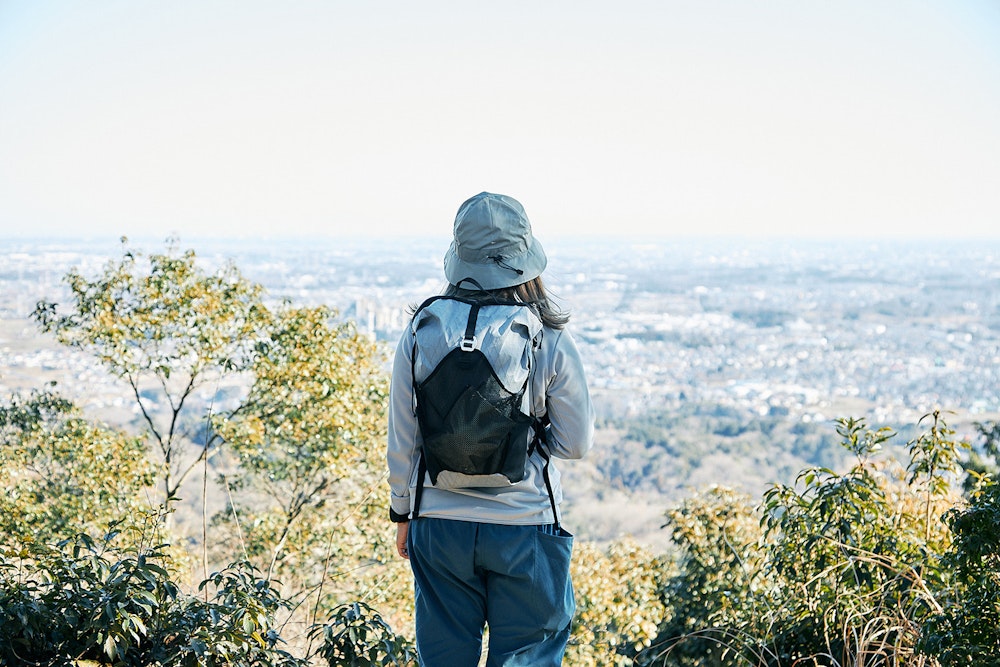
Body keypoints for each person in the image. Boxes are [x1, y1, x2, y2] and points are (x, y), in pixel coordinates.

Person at [387, 191, 595, 666]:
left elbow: (403, 439)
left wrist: (403, 514)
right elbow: (575, 444)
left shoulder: (423, 328)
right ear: (524, 263)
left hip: (438, 525)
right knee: (527, 656)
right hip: (526, 526)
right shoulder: (548, 338)